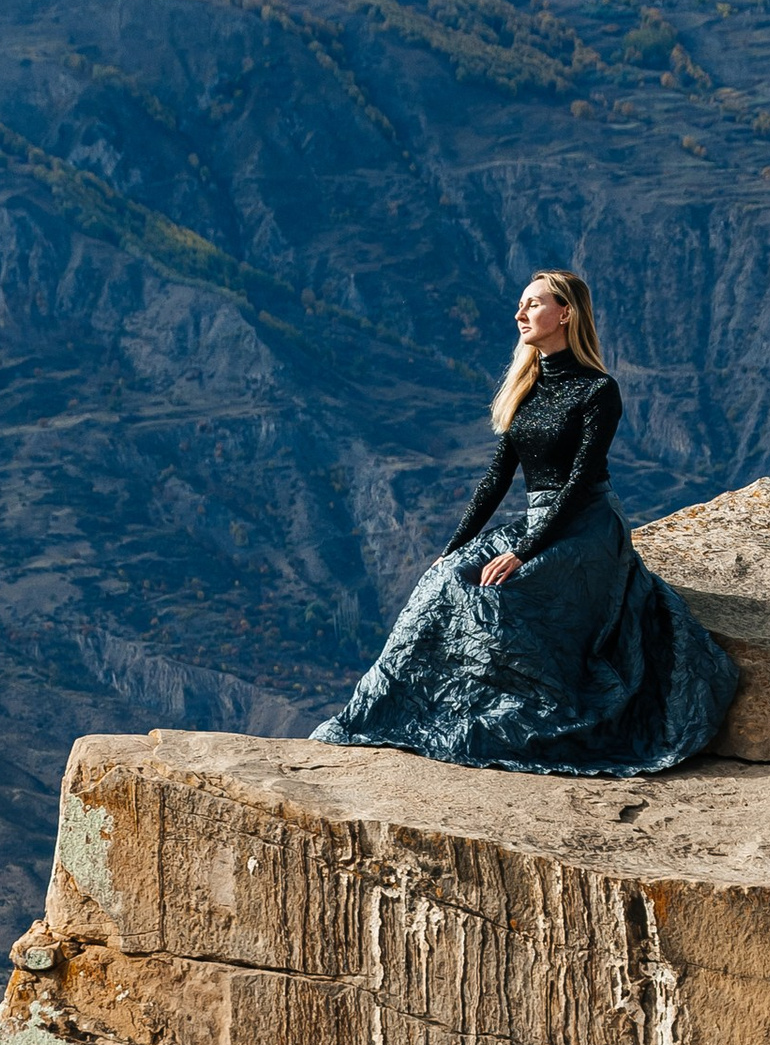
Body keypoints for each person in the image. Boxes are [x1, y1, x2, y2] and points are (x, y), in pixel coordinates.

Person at [312, 270, 739, 771]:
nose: (519, 314)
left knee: (507, 596)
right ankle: (410, 711)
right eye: (521, 304)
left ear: (566, 313)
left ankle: (521, 712)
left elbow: (580, 482)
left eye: (533, 304)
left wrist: (524, 551)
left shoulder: (598, 390)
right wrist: (453, 548)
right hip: (538, 522)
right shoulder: (527, 386)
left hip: (587, 526)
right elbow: (497, 478)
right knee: (445, 581)